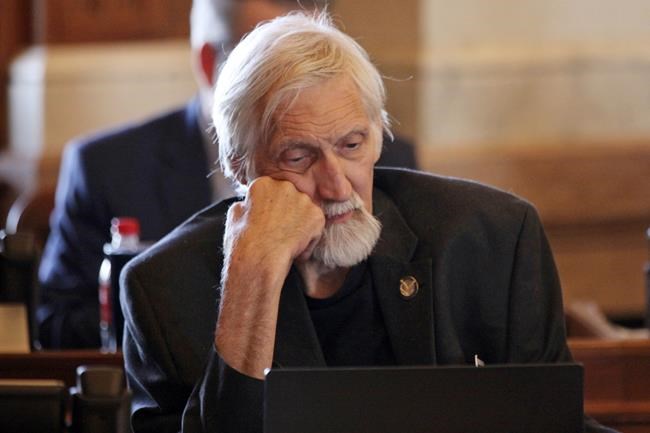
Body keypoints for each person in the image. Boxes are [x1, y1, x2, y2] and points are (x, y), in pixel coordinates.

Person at [120, 10, 616, 433]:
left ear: (378, 135)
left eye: (352, 145)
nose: (337, 186)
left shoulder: (494, 240)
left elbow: (553, 424)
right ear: (239, 166)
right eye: (298, 156)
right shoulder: (163, 289)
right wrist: (252, 279)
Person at [36, 0, 417, 349]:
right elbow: (56, 324)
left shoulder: (396, 165)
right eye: (264, 54)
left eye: (307, 50)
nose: (336, 185)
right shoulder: (110, 169)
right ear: (209, 64)